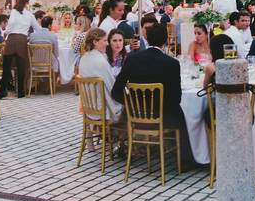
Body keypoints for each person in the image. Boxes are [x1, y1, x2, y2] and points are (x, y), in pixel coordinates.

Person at [111, 23, 192, 165]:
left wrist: (132, 106)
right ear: (166, 40)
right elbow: (176, 99)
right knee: (185, 114)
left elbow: (116, 92)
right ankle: (185, 159)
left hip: (136, 116)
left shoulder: (132, 59)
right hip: (163, 117)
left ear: (146, 38)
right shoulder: (171, 63)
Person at [78, 28, 124, 121]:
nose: (107, 44)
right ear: (95, 42)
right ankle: (121, 133)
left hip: (89, 107)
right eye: (105, 40)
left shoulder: (84, 58)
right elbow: (113, 88)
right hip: (103, 109)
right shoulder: (100, 62)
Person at [0, 0, 41, 98]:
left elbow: (11, 24)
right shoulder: (30, 15)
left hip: (12, 39)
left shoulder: (14, 12)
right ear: (27, 4)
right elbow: (38, 28)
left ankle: (2, 91)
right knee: (21, 67)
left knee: (6, 67)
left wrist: (5, 32)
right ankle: (21, 92)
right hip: (22, 40)